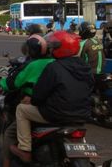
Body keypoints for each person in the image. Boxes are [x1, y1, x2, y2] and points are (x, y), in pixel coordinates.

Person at [9, 31, 94, 163]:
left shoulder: (53, 67)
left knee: (21, 109)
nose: (51, 49)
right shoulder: (85, 66)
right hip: (82, 115)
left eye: (54, 46)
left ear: (60, 48)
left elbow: (38, 95)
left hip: (56, 114)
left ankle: (24, 149)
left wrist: (32, 99)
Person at [0, 34, 54, 167]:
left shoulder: (32, 65)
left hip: (38, 105)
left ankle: (11, 160)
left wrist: (1, 82)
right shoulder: (55, 62)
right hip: (59, 105)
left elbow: (13, 84)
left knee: (9, 133)